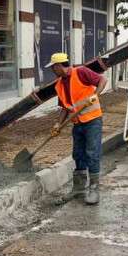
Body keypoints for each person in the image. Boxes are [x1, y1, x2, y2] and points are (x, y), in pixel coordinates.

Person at [50, 52, 106, 205]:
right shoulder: (59, 85)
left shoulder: (81, 72)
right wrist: (58, 124)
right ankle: (79, 188)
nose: (52, 70)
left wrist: (95, 94)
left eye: (53, 67)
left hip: (92, 120)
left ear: (59, 66)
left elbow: (102, 80)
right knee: (78, 154)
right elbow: (65, 107)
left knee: (92, 153)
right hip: (77, 123)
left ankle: (94, 189)